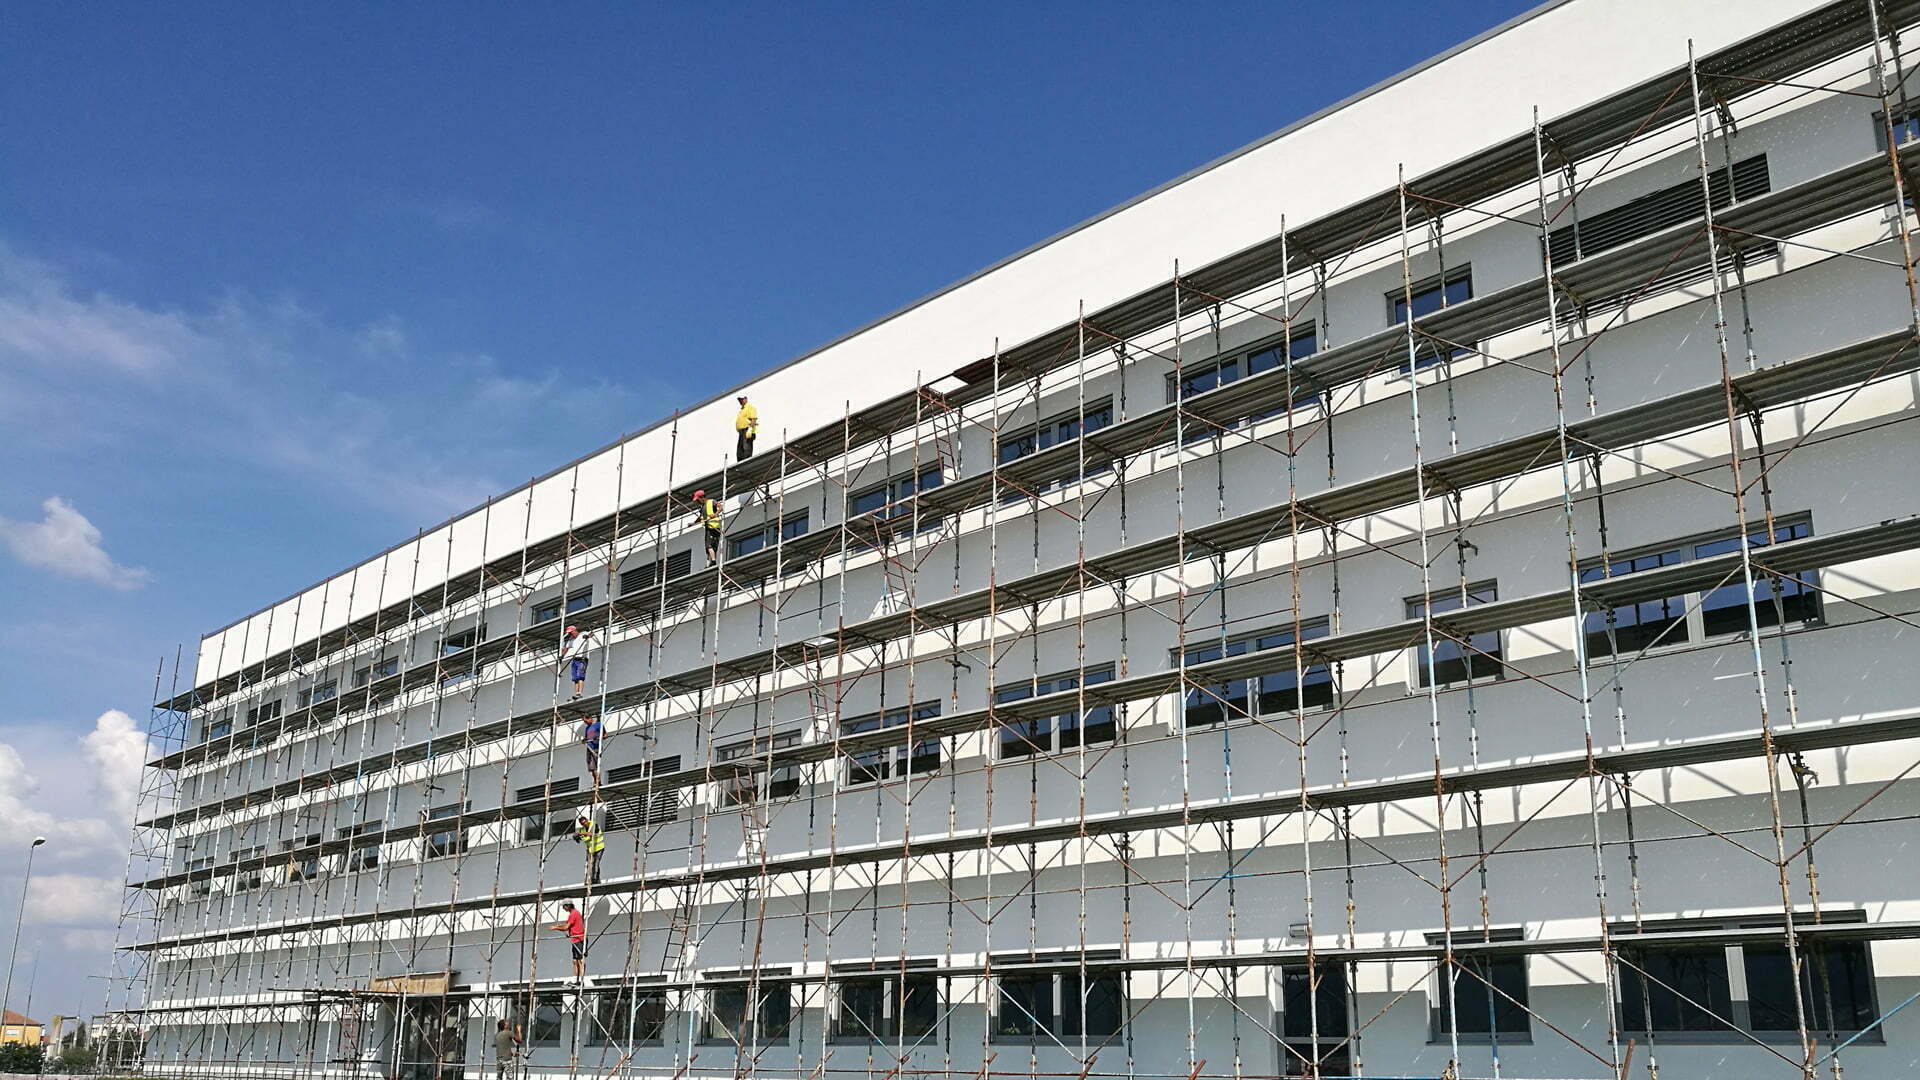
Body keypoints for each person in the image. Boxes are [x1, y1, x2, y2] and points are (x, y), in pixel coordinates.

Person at [551, 900, 587, 981]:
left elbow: (566, 927)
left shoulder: (574, 914)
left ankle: (581, 980)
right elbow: (567, 925)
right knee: (575, 961)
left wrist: (555, 928)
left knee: (580, 960)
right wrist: (558, 926)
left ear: (568, 905)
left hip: (579, 939)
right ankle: (575, 980)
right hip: (575, 939)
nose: (563, 908)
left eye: (564, 906)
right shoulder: (573, 914)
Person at [557, 625, 593, 701]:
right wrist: (562, 656)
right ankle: (576, 693)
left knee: (580, 676)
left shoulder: (582, 634)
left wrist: (587, 636)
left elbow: (591, 634)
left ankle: (580, 693)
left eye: (571, 632)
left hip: (582, 659)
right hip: (575, 659)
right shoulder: (571, 640)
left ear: (574, 631)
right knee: (575, 678)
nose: (570, 634)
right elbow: (566, 648)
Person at [693, 490, 724, 565]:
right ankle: (711, 562)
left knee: (709, 545)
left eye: (698, 500)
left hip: (713, 527)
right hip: (709, 527)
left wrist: (715, 514)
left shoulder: (711, 502)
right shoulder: (702, 507)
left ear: (702, 497)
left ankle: (713, 561)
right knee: (711, 546)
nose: (697, 502)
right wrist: (693, 523)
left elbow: (721, 507)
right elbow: (700, 517)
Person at [575, 811, 605, 885]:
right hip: (590, 850)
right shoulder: (582, 829)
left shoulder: (594, 825)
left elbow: (591, 833)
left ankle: (595, 880)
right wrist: (577, 838)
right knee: (589, 865)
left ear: (587, 820)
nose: (584, 824)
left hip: (599, 848)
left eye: (585, 822)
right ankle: (590, 880)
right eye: (582, 824)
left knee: (596, 864)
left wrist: (580, 834)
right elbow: (582, 838)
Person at [581, 714, 604, 786]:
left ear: (590, 718)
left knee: (595, 766)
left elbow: (605, 735)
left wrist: (598, 738)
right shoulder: (587, 728)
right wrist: (584, 740)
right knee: (591, 768)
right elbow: (587, 738)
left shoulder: (598, 724)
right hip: (589, 748)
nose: (585, 723)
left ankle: (598, 781)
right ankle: (596, 781)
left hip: (596, 748)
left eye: (586, 721)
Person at [734, 395, 759, 460]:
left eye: (741, 399)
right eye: (739, 399)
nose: (740, 401)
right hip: (741, 431)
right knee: (740, 450)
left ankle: (747, 460)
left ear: (746, 399)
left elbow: (753, 419)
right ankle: (740, 461)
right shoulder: (742, 410)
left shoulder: (750, 407)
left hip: (747, 430)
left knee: (746, 448)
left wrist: (750, 430)